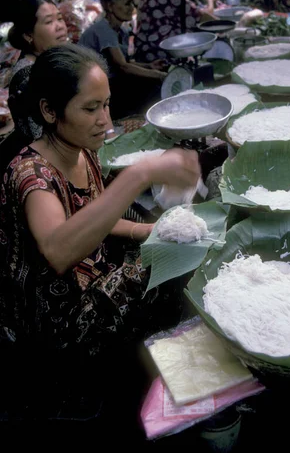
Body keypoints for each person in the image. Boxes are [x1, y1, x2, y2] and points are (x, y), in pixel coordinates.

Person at [0, 43, 200, 358]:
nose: (106, 122)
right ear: (50, 111)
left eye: (106, 105)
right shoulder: (31, 176)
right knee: (160, 272)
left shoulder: (81, 149)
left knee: (171, 244)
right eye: (91, 108)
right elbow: (58, 250)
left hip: (95, 273)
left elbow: (95, 214)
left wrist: (146, 231)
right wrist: (140, 174)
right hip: (59, 319)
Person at [0, 0, 68, 171]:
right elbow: (40, 139)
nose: (60, 26)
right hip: (45, 166)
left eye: (59, 18)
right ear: (29, 35)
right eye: (49, 22)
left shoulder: (52, 60)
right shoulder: (27, 76)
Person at [80, 0, 166, 119]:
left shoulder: (121, 30)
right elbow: (123, 66)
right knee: (152, 88)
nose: (132, 8)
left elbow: (125, 62)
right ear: (110, 6)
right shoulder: (103, 29)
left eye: (133, 3)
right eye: (127, 4)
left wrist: (149, 66)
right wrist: (159, 75)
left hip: (109, 83)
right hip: (92, 91)